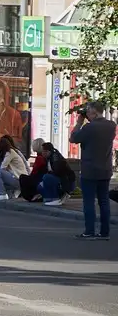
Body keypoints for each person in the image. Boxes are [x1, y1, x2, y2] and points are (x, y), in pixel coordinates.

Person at [70, 100, 115, 240]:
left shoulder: (89, 127)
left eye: (88, 111)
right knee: (104, 201)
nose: (87, 114)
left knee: (89, 202)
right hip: (105, 169)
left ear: (94, 112)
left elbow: (73, 138)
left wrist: (79, 122)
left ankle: (89, 231)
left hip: (90, 170)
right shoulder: (111, 125)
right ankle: (104, 232)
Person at [0, 135, 29, 202]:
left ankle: (2, 194)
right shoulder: (11, 152)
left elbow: (2, 167)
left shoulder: (10, 152)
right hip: (17, 179)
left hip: (19, 179)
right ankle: (8, 194)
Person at [38, 142, 77, 207]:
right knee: (40, 186)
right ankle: (51, 198)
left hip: (66, 181)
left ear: (48, 151)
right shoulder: (49, 158)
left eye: (44, 151)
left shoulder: (55, 157)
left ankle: (55, 199)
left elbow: (58, 172)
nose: (42, 153)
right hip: (62, 180)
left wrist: (66, 189)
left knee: (47, 177)